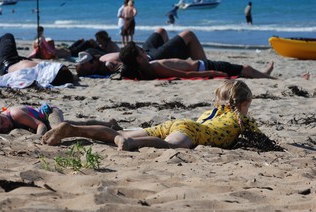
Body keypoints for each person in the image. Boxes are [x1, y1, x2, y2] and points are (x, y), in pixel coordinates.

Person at [41, 80, 275, 151]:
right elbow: (260, 141)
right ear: (244, 104)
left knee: (118, 132)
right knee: (167, 146)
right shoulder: (242, 119)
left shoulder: (210, 111)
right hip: (190, 131)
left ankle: (72, 129)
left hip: (180, 123)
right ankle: (130, 144)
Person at [75, 27, 207, 77]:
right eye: (91, 62)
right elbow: (127, 68)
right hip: (149, 57)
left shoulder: (100, 59)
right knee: (188, 34)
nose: (93, 59)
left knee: (161, 31)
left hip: (144, 50)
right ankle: (206, 64)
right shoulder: (108, 66)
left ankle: (173, 54)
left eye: (90, 58)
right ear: (93, 69)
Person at [119, 41, 275, 80]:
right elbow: (185, 74)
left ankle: (263, 73)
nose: (145, 52)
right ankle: (269, 77)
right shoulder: (156, 66)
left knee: (241, 70)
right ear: (139, 59)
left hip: (202, 65)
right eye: (142, 51)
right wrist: (211, 72)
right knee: (245, 68)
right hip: (203, 66)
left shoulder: (147, 69)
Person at [0, 33, 73, 88]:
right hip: (22, 61)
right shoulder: (50, 72)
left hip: (8, 64)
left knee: (6, 37)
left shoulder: (27, 77)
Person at [0, 103, 122, 136]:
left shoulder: (15, 114)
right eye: (2, 129)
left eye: (2, 122)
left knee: (60, 126)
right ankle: (109, 124)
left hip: (49, 113)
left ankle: (108, 126)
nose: (6, 126)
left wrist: (39, 138)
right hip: (45, 119)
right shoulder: (2, 122)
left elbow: (40, 125)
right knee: (77, 124)